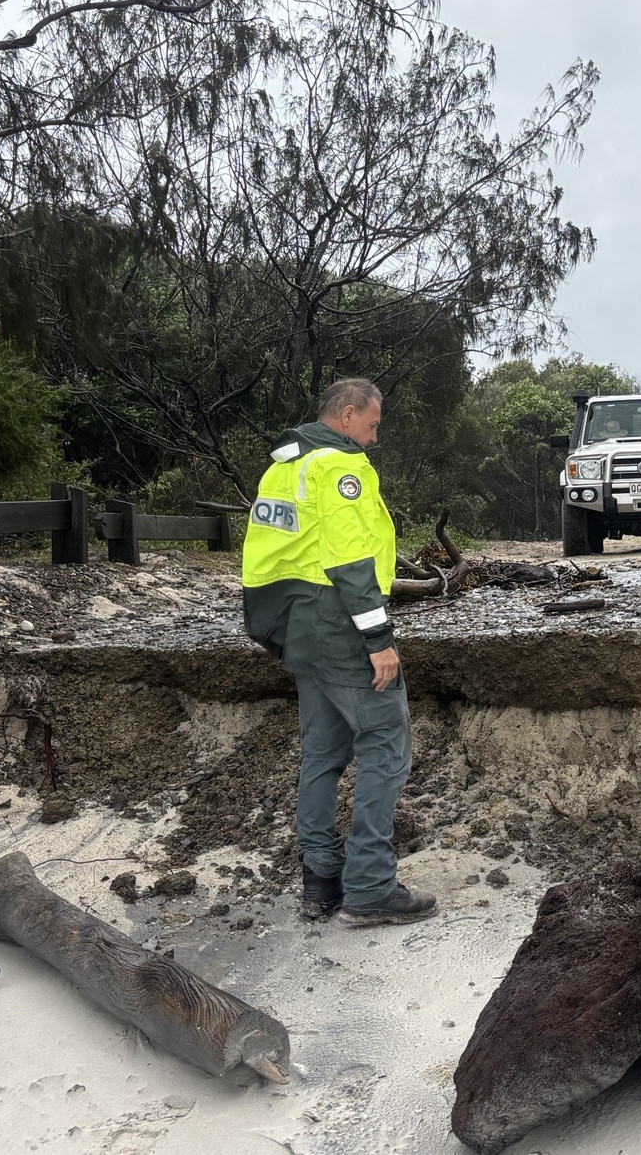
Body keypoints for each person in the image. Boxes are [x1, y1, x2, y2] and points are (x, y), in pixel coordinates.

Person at [240, 377, 437, 927]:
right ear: (348, 415)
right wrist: (379, 639)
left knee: (322, 756)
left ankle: (320, 882)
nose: (374, 439)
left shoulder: (283, 467)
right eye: (372, 426)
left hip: (298, 627)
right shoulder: (339, 468)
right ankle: (371, 886)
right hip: (340, 624)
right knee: (387, 747)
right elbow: (350, 560)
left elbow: (271, 554)